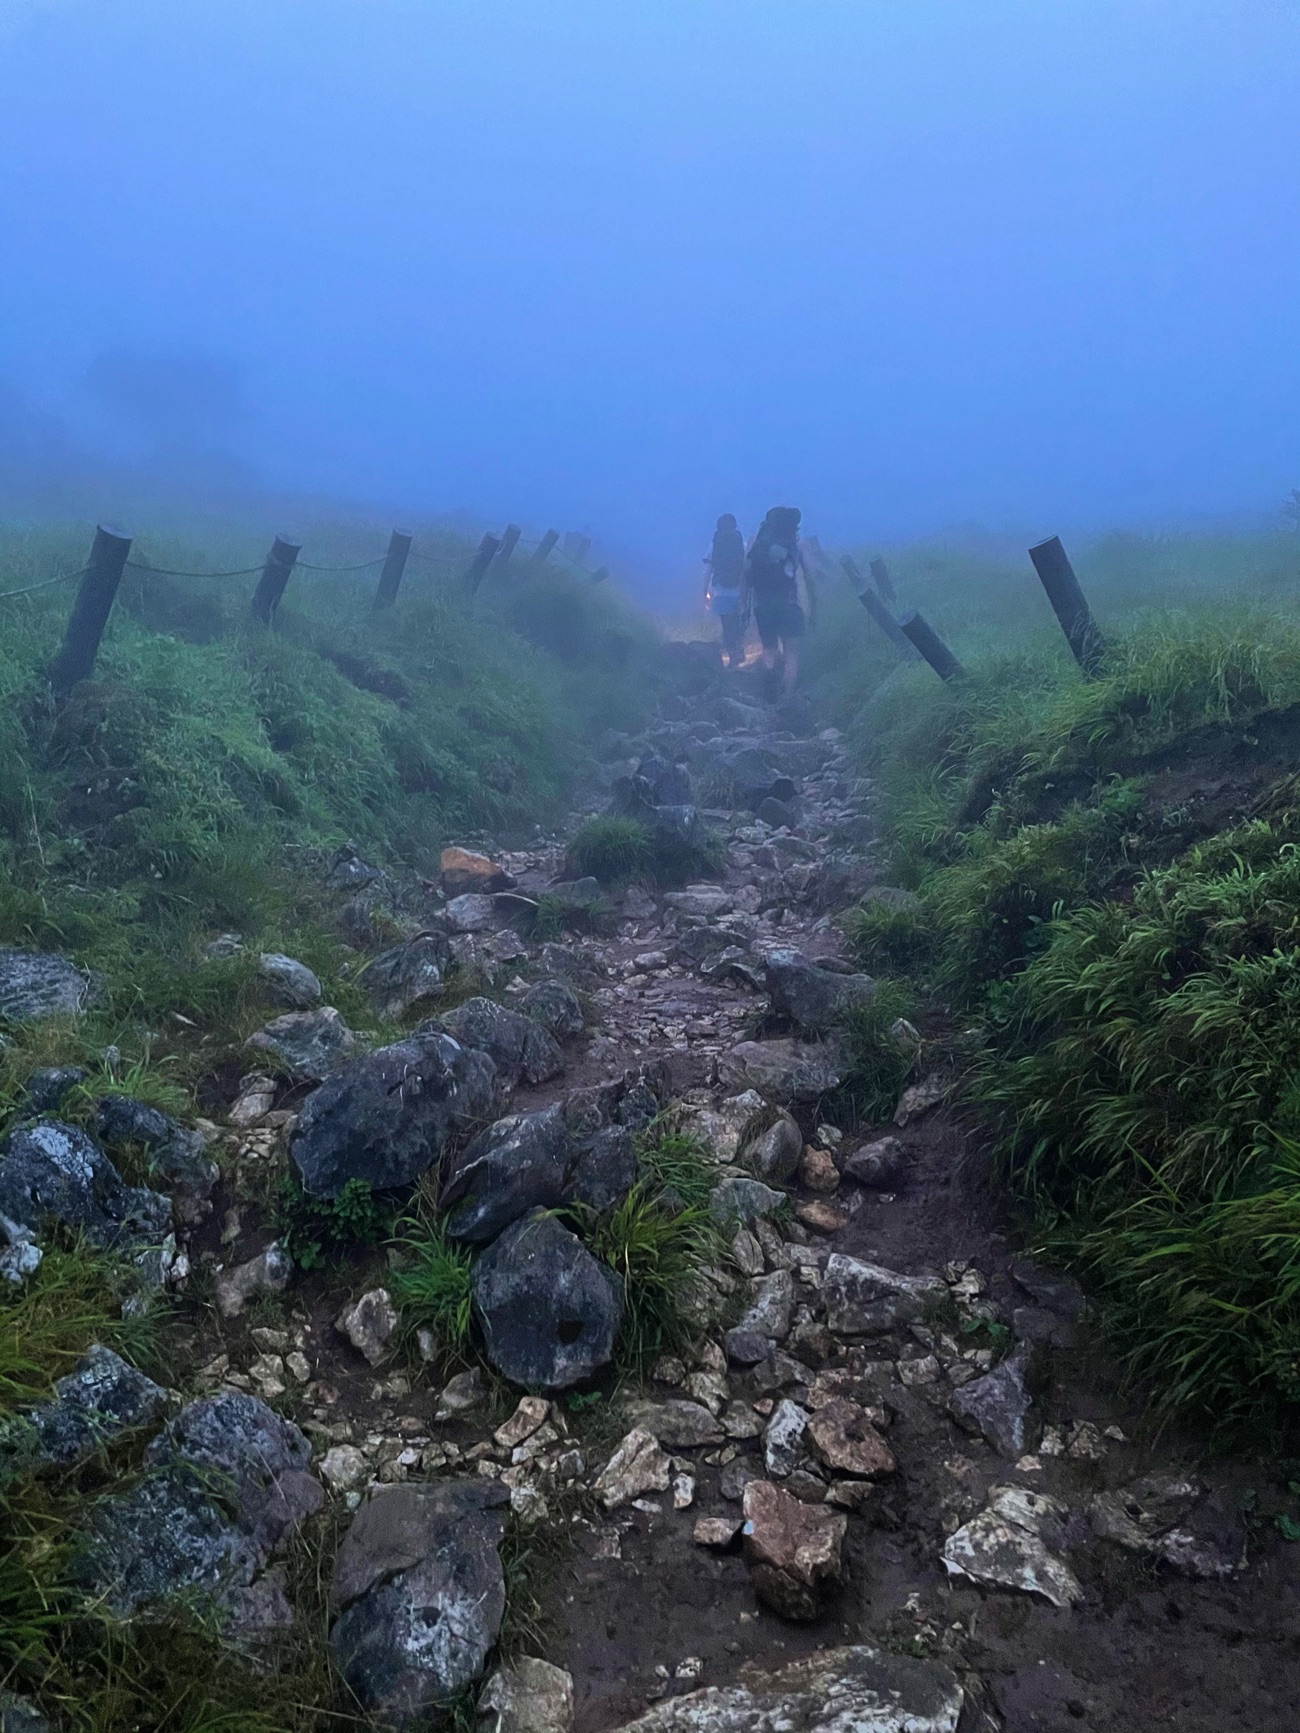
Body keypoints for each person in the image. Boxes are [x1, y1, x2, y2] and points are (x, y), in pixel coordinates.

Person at [742, 505, 815, 700]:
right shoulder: (795, 547)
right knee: (791, 652)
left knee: (769, 649)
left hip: (762, 606)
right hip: (789, 604)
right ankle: (788, 697)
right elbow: (809, 578)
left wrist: (744, 607)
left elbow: (746, 576)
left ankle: (769, 690)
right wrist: (814, 608)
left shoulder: (758, 546)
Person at [704, 512, 748, 668]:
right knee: (738, 623)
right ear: (735, 526)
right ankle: (738, 650)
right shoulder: (741, 544)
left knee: (726, 624)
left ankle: (731, 656)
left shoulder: (714, 544)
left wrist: (705, 590)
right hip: (739, 590)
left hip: (721, 591)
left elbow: (709, 568)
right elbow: (746, 567)